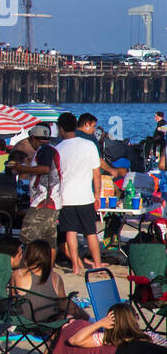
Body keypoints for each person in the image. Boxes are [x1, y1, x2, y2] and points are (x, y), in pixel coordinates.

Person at [62, 304, 167, 354]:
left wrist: (99, 324)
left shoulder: (109, 338)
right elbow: (74, 341)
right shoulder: (148, 336)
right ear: (135, 318)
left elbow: (75, 340)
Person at [54, 112, 103, 271]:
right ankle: (96, 264)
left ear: (61, 129)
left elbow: (57, 176)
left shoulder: (58, 148)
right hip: (85, 196)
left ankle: (75, 265)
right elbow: (97, 174)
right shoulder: (88, 145)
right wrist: (97, 196)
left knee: (71, 231)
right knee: (91, 232)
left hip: (66, 197)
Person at [10, 240, 87, 323]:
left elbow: (12, 300)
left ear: (28, 254)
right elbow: (65, 305)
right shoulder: (56, 277)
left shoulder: (18, 274)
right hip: (49, 326)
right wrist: (87, 318)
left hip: (24, 325)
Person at [10, 123, 62, 246]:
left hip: (42, 202)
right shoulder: (52, 147)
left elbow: (45, 169)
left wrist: (22, 169)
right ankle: (47, 265)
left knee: (27, 237)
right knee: (49, 241)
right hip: (51, 202)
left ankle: (29, 264)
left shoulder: (44, 150)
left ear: (33, 137)